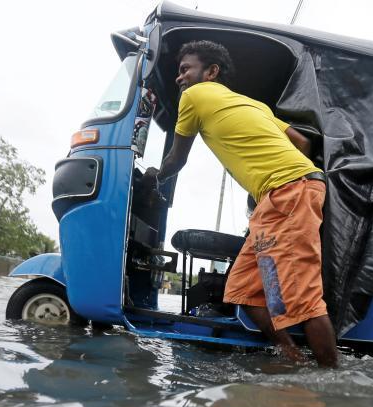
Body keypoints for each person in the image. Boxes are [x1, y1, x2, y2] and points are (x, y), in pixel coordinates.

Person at [142, 40, 338, 367]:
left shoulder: (194, 95)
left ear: (211, 72)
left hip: (288, 197)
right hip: (280, 199)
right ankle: (292, 357)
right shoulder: (253, 105)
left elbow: (176, 159)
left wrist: (155, 176)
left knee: (302, 297)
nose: (180, 78)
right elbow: (301, 141)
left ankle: (332, 382)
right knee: (244, 289)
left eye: (185, 69)